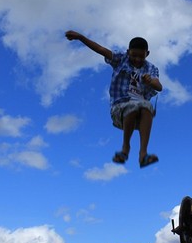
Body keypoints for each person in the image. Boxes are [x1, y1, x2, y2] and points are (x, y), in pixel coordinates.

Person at [65, 30, 163, 168]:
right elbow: (100, 49)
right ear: (128, 52)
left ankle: (143, 154)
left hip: (139, 116)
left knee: (147, 107)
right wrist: (81, 37)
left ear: (147, 54)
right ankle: (125, 148)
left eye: (141, 56)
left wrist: (150, 81)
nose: (137, 59)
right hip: (119, 110)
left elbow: (159, 86)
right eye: (134, 55)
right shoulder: (121, 59)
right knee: (133, 106)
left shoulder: (151, 68)